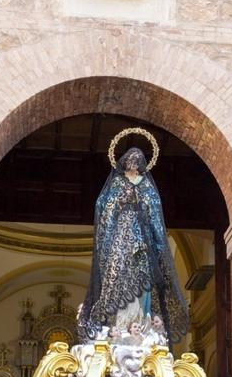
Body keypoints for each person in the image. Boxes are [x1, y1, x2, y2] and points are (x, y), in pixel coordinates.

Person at [80, 146, 190, 347]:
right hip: (120, 236)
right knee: (117, 277)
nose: (133, 163)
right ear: (123, 161)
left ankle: (140, 324)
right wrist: (121, 200)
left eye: (137, 160)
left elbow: (154, 208)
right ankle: (118, 326)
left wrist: (140, 200)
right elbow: (103, 206)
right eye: (130, 159)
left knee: (143, 276)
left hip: (142, 239)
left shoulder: (146, 185)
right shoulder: (116, 183)